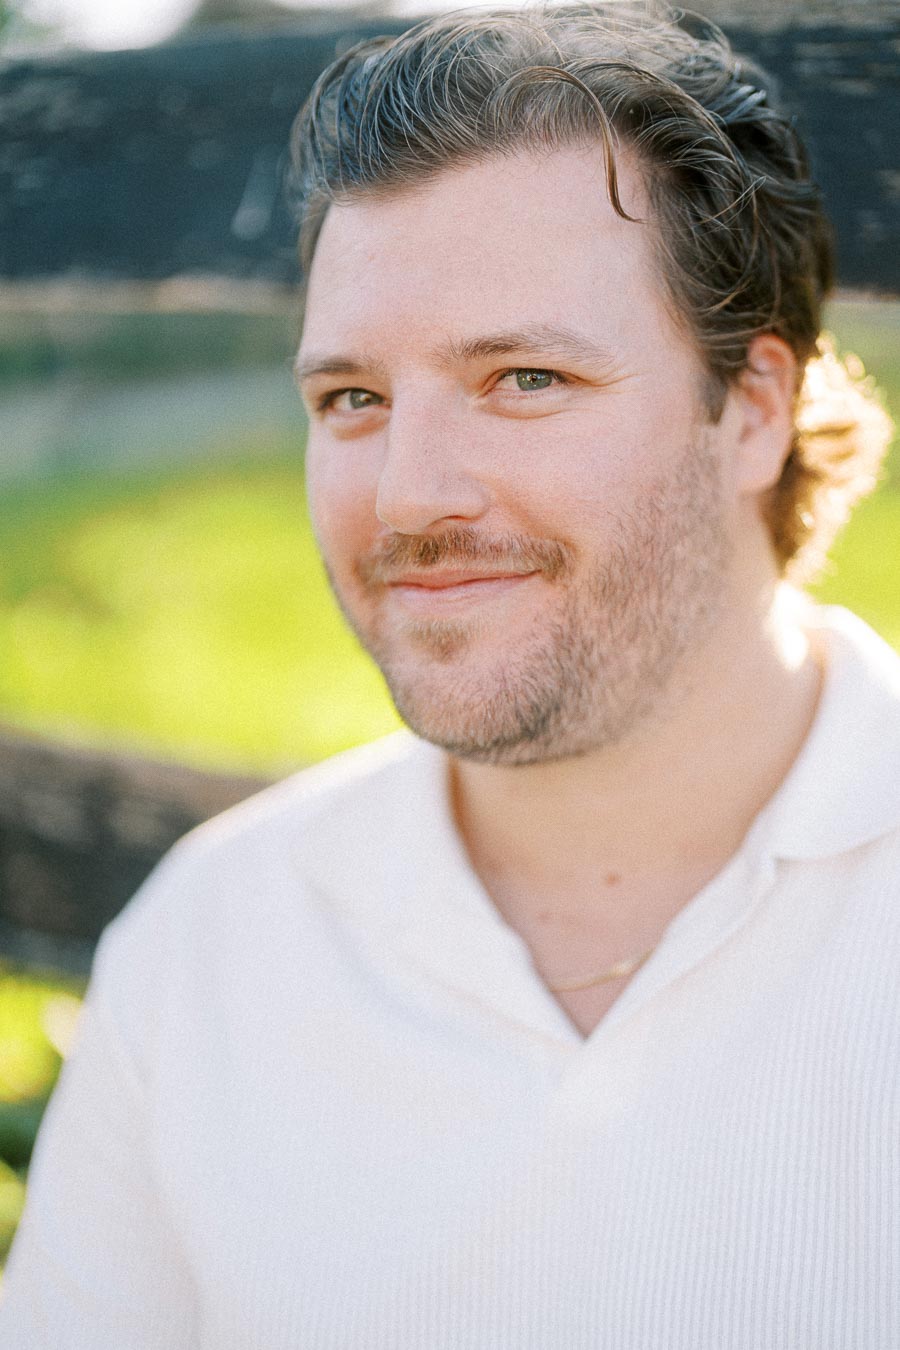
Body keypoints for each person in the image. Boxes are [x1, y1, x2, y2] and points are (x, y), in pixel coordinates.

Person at [2, 3, 897, 1345]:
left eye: (524, 377)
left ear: (753, 408)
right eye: (353, 399)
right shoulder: (212, 949)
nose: (408, 493)